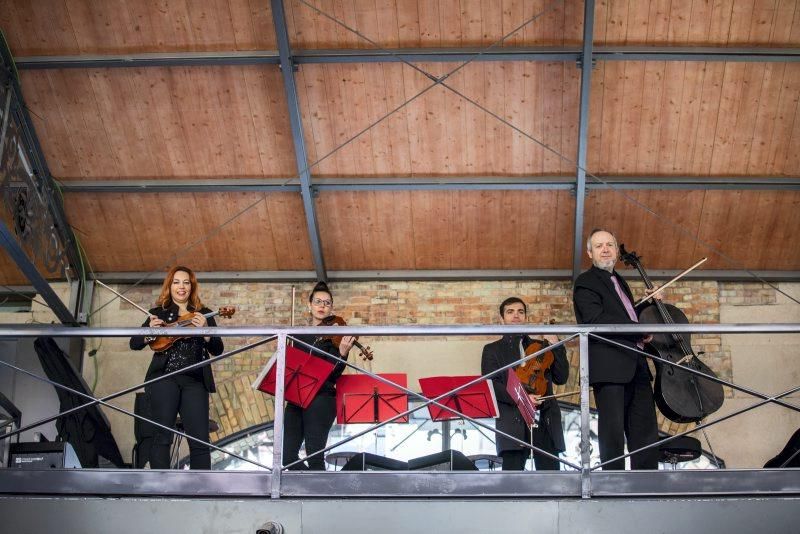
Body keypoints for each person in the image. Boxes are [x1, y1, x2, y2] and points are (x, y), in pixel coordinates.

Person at [572, 228, 660, 470]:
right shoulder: (586, 282)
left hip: (637, 365)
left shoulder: (619, 281)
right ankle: (613, 485)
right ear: (590, 253)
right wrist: (639, 330)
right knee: (612, 433)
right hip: (610, 368)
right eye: (599, 246)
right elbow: (596, 321)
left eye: (609, 244)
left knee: (645, 433)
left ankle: (648, 485)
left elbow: (625, 317)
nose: (605, 249)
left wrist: (649, 304)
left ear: (616, 250)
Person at [130, 266, 223, 470]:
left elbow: (218, 348)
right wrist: (149, 332)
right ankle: (161, 487)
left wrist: (205, 332)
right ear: (170, 286)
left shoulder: (204, 314)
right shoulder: (158, 313)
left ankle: (200, 488)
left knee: (199, 440)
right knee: (162, 436)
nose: (181, 287)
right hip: (164, 378)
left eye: (186, 282)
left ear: (192, 287)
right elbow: (134, 343)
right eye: (177, 282)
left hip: (195, 381)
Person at [481, 297, 569, 471]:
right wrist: (523, 398)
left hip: (544, 420)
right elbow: (492, 385)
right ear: (501, 319)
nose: (516, 316)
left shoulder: (541, 346)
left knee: (551, 480)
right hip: (512, 422)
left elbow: (562, 376)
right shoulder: (492, 349)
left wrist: (556, 345)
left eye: (521, 312)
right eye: (510, 312)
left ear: (526, 318)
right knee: (513, 484)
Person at [282, 281, 355, 470]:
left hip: (322, 397)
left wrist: (342, 354)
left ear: (331, 308)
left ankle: (320, 497)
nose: (322, 306)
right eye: (318, 302)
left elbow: (334, 373)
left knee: (314, 456)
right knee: (287, 458)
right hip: (297, 397)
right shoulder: (297, 335)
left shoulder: (336, 335)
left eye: (327, 303)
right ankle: (309, 492)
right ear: (309, 305)